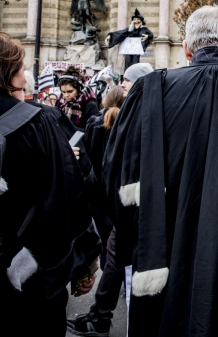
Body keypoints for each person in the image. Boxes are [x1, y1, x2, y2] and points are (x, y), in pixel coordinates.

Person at [102, 6, 218, 336]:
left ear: (187, 48)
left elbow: (118, 179)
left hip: (165, 261)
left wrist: (137, 245)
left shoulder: (151, 91)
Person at [0, 30, 101, 336]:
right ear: (10, 75)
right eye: (21, 68)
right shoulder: (42, 122)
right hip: (31, 276)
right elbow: (69, 196)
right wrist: (84, 264)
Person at [67, 86, 127, 337]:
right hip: (124, 197)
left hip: (100, 196)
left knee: (110, 250)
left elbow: (88, 160)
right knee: (114, 252)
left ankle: (100, 314)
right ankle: (101, 312)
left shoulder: (94, 124)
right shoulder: (130, 122)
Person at [56, 66, 99, 130]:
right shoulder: (60, 102)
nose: (66, 95)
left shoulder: (90, 105)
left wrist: (67, 128)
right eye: (63, 92)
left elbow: (92, 132)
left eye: (70, 91)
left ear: (79, 89)